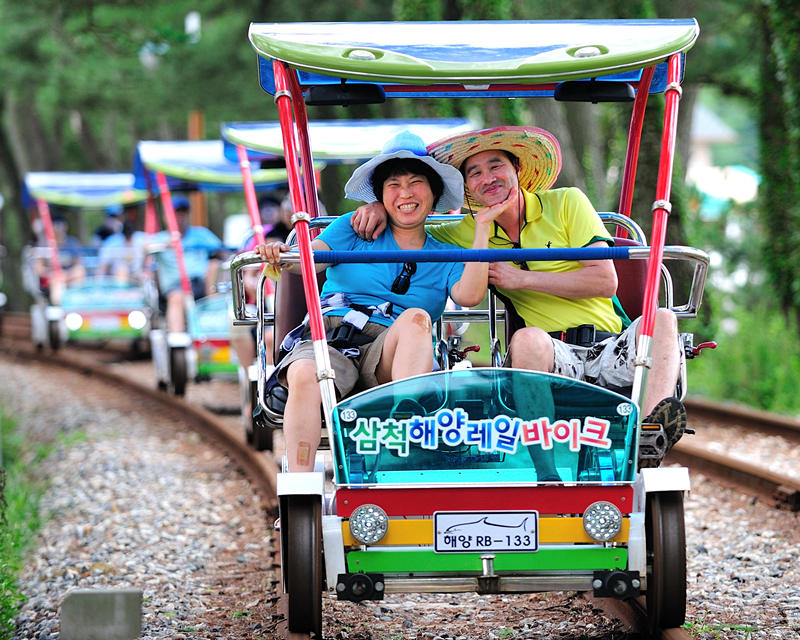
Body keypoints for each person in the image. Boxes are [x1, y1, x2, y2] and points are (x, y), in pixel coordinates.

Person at [351, 125, 687, 456]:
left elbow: (604, 281)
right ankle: (546, 469)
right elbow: (413, 227)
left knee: (663, 318)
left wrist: (521, 279)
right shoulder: (470, 231)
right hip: (550, 352)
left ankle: (648, 432)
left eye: (496, 166)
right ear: (467, 185)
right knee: (526, 339)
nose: (488, 178)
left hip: (609, 347)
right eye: (475, 172)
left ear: (517, 169)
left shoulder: (567, 202)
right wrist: (380, 205)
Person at [254, 130, 505, 472]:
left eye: (416, 182)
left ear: (433, 193)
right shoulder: (353, 229)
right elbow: (309, 261)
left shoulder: (445, 254)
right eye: (394, 185)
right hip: (332, 337)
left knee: (417, 318)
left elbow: (470, 295)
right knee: (305, 371)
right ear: (381, 196)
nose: (405, 194)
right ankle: (300, 487)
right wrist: (281, 253)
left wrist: (483, 229)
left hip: (390, 352)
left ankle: (400, 445)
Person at [150, 195, 223, 333]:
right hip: (176, 286)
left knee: (214, 266)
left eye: (183, 213)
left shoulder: (201, 234)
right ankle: (177, 339)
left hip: (202, 284)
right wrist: (165, 245)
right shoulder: (160, 238)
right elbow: (145, 248)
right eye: (176, 214)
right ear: (167, 217)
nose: (180, 217)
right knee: (177, 298)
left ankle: (216, 319)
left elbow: (222, 250)